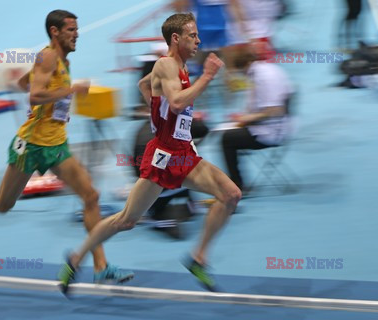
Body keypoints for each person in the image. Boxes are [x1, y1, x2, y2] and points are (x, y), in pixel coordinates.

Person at [0, 9, 134, 284]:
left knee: (91, 196)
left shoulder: (60, 61)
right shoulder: (48, 56)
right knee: (2, 204)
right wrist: (70, 91)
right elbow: (35, 96)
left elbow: (26, 84)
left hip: (56, 145)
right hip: (31, 145)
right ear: (55, 32)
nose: (77, 34)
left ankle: (100, 266)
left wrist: (27, 80)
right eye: (71, 29)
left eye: (77, 29)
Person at [58, 13, 241, 294]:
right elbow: (178, 102)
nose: (198, 40)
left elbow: (144, 85)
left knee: (230, 195)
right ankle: (75, 258)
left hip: (182, 152)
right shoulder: (166, 64)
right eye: (193, 35)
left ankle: (198, 259)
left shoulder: (176, 66)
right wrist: (206, 77)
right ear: (176, 38)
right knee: (126, 220)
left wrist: (158, 116)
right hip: (165, 157)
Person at [221, 45, 293, 190]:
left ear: (246, 66)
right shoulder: (268, 69)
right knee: (233, 135)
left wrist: (248, 119)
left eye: (242, 72)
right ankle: (237, 181)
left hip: (272, 130)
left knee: (226, 139)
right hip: (276, 125)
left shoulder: (263, 77)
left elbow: (276, 110)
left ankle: (236, 185)